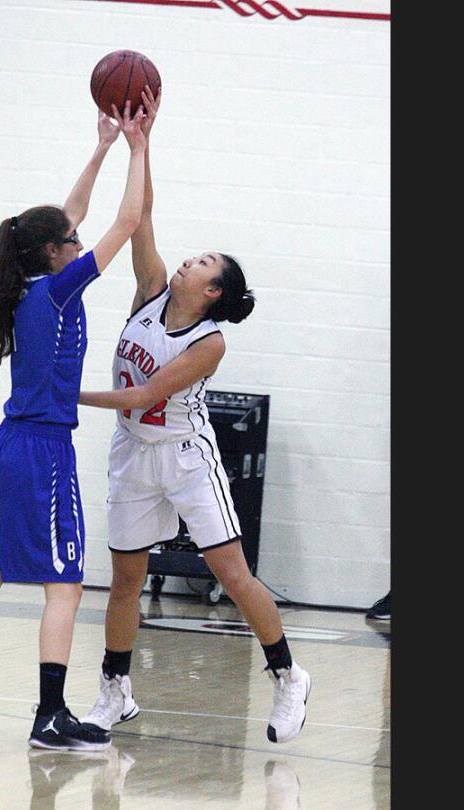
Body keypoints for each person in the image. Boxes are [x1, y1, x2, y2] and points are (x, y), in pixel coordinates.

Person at [75, 87, 311, 744]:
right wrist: (138, 142)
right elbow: (139, 216)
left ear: (213, 293)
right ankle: (115, 690)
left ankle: (288, 675)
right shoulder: (150, 292)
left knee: (232, 574)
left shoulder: (208, 342)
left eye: (202, 263)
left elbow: (139, 399)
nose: (187, 258)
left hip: (184, 457)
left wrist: (60, 399)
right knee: (126, 579)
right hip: (133, 456)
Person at [0, 102, 152, 751]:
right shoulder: (57, 290)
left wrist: (101, 148)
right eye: (70, 242)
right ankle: (51, 713)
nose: (79, 243)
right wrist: (138, 147)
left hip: (5, 448)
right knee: (65, 583)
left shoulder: (26, 284)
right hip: (41, 451)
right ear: (55, 254)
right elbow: (126, 221)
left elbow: (70, 216)